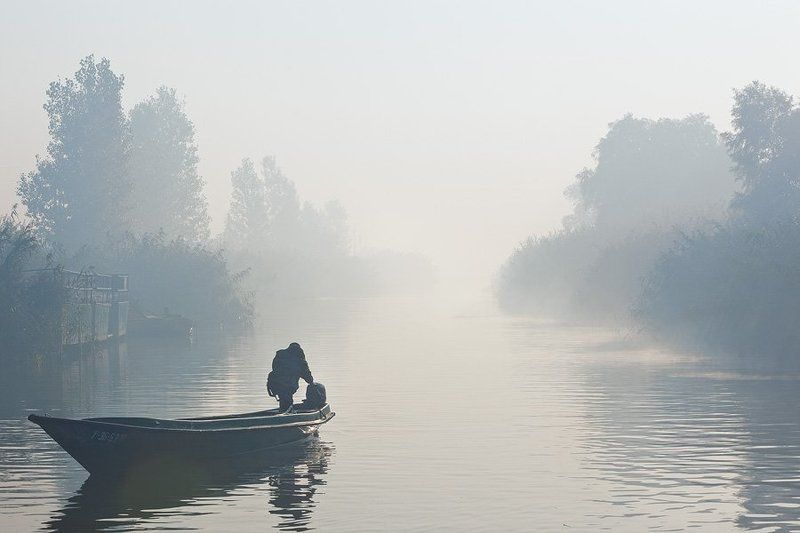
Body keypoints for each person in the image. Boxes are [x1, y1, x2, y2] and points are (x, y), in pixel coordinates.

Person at [267, 342, 314, 412]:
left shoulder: (280, 355)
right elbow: (305, 372)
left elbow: (275, 368)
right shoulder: (299, 358)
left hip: (275, 384)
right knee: (287, 402)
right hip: (287, 385)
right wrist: (311, 382)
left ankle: (283, 412)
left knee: (284, 401)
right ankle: (285, 415)